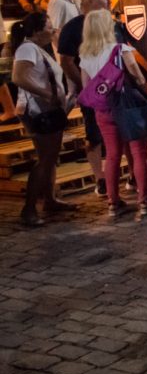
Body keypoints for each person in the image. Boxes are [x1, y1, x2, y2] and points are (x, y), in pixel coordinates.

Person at [75, 9, 147, 217]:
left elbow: (86, 85)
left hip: (103, 110)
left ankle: (113, 202)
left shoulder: (85, 56)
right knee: (139, 152)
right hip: (126, 107)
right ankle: (145, 199)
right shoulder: (120, 49)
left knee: (112, 155)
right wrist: (142, 89)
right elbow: (138, 76)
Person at [10, 13, 74, 226]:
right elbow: (19, 77)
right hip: (40, 111)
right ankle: (29, 209)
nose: (52, 30)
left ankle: (49, 199)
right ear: (37, 31)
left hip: (47, 109)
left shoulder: (37, 49)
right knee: (46, 159)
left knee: (50, 157)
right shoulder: (28, 48)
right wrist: (47, 94)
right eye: (49, 27)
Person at [57, 0, 114, 196]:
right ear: (88, 2)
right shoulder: (73, 28)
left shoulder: (112, 24)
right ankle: (100, 178)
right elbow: (66, 60)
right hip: (92, 91)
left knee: (119, 132)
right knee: (94, 134)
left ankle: (118, 173)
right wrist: (85, 86)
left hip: (114, 90)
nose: (108, 1)